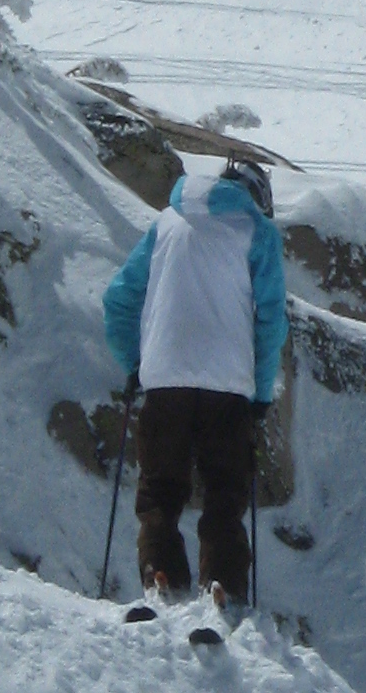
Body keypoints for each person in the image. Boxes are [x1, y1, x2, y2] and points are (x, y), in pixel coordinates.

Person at [101, 155, 287, 607]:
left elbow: (118, 299)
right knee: (224, 493)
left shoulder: (166, 222)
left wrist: (135, 365)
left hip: (164, 378)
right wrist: (262, 394)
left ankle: (161, 574)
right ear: (258, 197)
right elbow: (270, 323)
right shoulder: (257, 233)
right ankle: (221, 585)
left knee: (160, 490)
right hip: (229, 385)